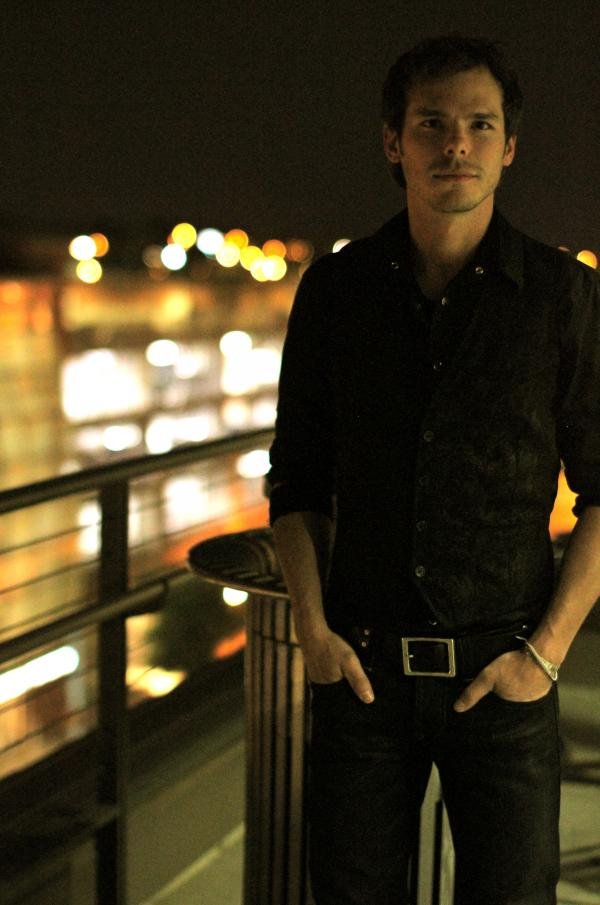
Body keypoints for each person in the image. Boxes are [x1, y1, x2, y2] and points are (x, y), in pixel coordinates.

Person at [268, 34, 600, 905]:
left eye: (480, 124)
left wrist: (546, 654)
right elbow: (295, 478)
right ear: (394, 141)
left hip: (506, 673)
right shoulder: (335, 291)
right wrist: (312, 629)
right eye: (432, 123)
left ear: (510, 145)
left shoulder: (562, 296)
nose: (457, 143)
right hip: (362, 673)